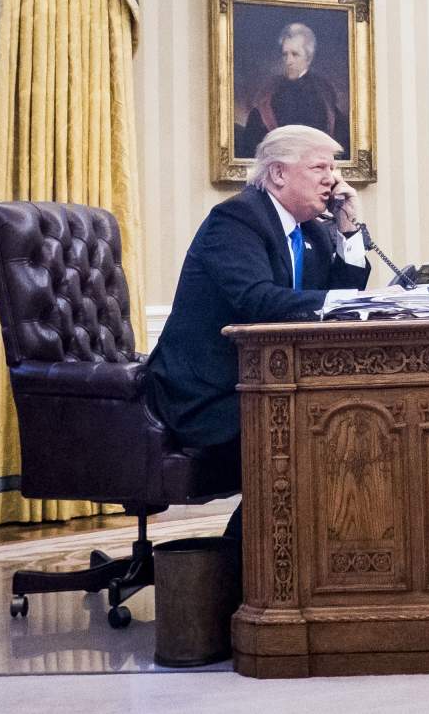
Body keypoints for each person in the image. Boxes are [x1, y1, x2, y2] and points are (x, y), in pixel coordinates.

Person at [146, 125, 372, 538]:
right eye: (320, 166)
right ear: (279, 174)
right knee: (315, 436)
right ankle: (249, 567)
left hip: (265, 386)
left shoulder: (313, 231)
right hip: (208, 395)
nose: (334, 179)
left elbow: (343, 295)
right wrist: (342, 303)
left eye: (334, 167)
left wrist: (348, 229)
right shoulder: (236, 218)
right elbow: (258, 301)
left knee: (347, 424)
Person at [236, 23, 350, 159]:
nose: (288, 61)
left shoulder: (324, 95)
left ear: (308, 58)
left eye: (295, 54)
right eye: (285, 54)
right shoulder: (270, 91)